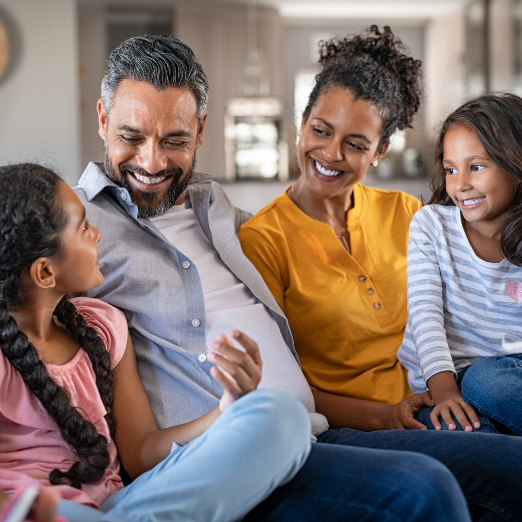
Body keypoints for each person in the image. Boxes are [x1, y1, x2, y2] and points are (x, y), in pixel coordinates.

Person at [75, 33, 513, 521]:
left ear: (200, 132)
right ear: (102, 120)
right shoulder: (76, 227)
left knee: (504, 455)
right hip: (235, 449)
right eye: (131, 137)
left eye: (174, 140)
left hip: (314, 429)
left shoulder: (213, 206)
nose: (152, 162)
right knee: (426, 486)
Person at [239, 26, 522, 520]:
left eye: (355, 143)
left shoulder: (407, 212)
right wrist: (384, 414)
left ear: (381, 151)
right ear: (301, 124)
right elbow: (282, 383)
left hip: (442, 402)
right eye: (321, 130)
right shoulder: (264, 240)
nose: (330, 154)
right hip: (357, 427)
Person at [0, 163, 313, 522]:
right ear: (45, 272)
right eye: (84, 228)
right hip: (35, 512)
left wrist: (228, 408)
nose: (97, 234)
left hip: (122, 507)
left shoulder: (102, 327)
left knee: (281, 415)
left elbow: (143, 454)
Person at [397, 93, 522, 435]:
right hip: (443, 382)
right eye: (451, 169)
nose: (460, 184)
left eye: (476, 166)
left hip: (505, 377)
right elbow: (425, 317)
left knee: (486, 382)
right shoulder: (431, 226)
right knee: (472, 438)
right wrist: (445, 392)